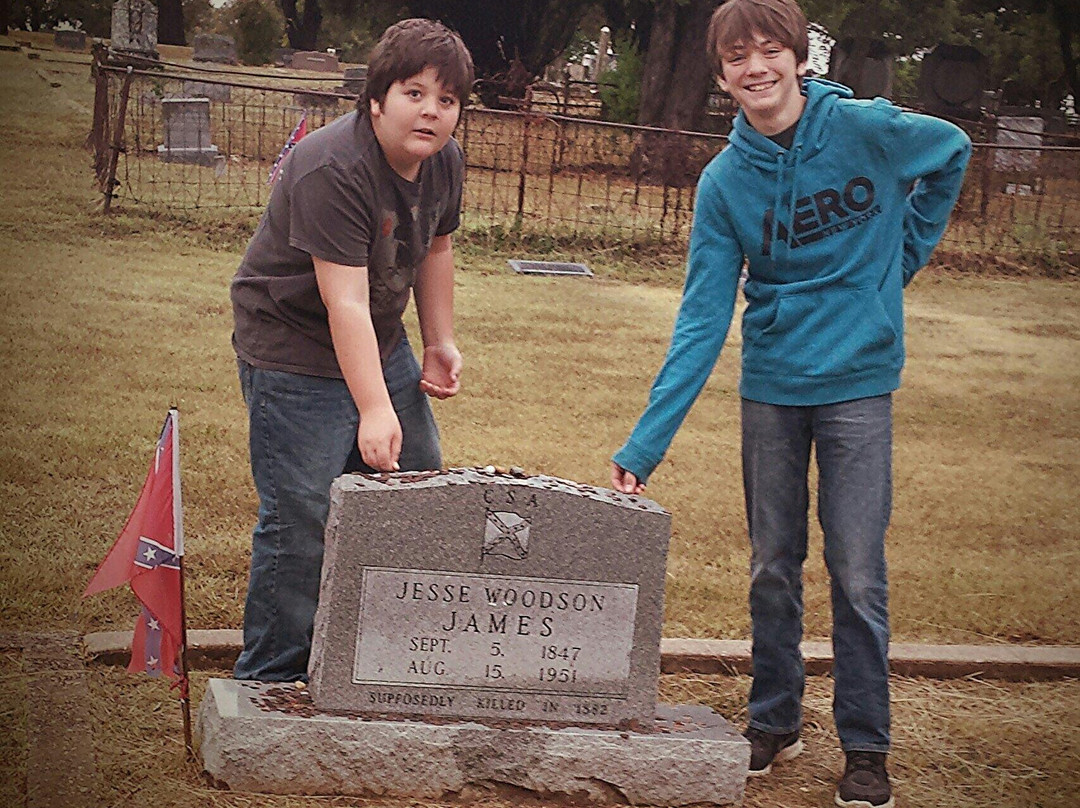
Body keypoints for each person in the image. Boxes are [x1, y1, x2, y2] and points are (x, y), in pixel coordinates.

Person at [610, 1, 971, 805]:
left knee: (857, 572)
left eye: (769, 50)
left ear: (799, 58)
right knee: (773, 567)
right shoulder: (724, 183)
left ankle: (866, 746)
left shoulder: (867, 129)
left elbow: (953, 150)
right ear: (722, 75)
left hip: (858, 385)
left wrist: (898, 260)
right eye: (737, 56)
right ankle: (774, 720)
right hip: (772, 389)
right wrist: (645, 445)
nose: (756, 68)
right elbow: (702, 319)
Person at [229, 19, 474, 683]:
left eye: (447, 99)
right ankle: (273, 676)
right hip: (292, 345)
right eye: (414, 93)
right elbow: (344, 304)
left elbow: (437, 247)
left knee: (418, 485)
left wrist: (439, 340)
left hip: (379, 336)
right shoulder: (333, 167)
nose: (431, 111)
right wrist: (374, 406)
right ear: (375, 100)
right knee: (302, 513)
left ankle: (382, 657)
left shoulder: (444, 160)